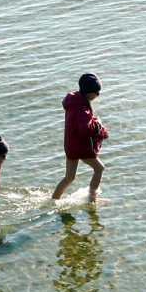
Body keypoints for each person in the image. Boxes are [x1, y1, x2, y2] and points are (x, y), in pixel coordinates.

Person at [52, 73, 109, 202]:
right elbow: (85, 129)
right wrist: (98, 126)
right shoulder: (82, 108)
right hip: (81, 147)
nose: (98, 95)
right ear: (89, 93)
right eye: (97, 92)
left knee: (69, 177)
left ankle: (54, 200)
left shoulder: (73, 102)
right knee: (99, 169)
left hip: (70, 145)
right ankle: (92, 198)